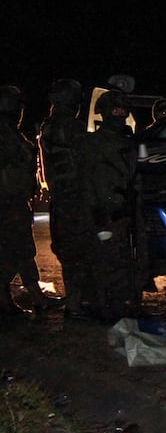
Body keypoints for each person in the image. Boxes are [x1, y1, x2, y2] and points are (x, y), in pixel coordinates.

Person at [78, 87, 142, 319]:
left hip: (124, 209)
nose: (120, 114)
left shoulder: (129, 142)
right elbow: (86, 181)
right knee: (103, 260)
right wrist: (96, 211)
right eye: (115, 110)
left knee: (126, 259)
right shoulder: (92, 143)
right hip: (103, 211)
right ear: (105, 113)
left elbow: (137, 173)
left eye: (123, 110)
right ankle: (103, 305)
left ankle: (122, 303)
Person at [0, 85, 61, 315]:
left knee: (20, 249)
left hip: (15, 200)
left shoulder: (11, 132)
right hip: (8, 202)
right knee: (15, 249)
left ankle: (34, 297)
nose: (21, 111)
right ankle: (18, 300)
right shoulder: (5, 134)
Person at [38, 78, 96, 318]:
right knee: (77, 251)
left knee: (68, 249)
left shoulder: (49, 126)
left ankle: (77, 301)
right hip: (74, 197)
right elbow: (86, 160)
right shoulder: (69, 127)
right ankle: (76, 304)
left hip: (62, 196)